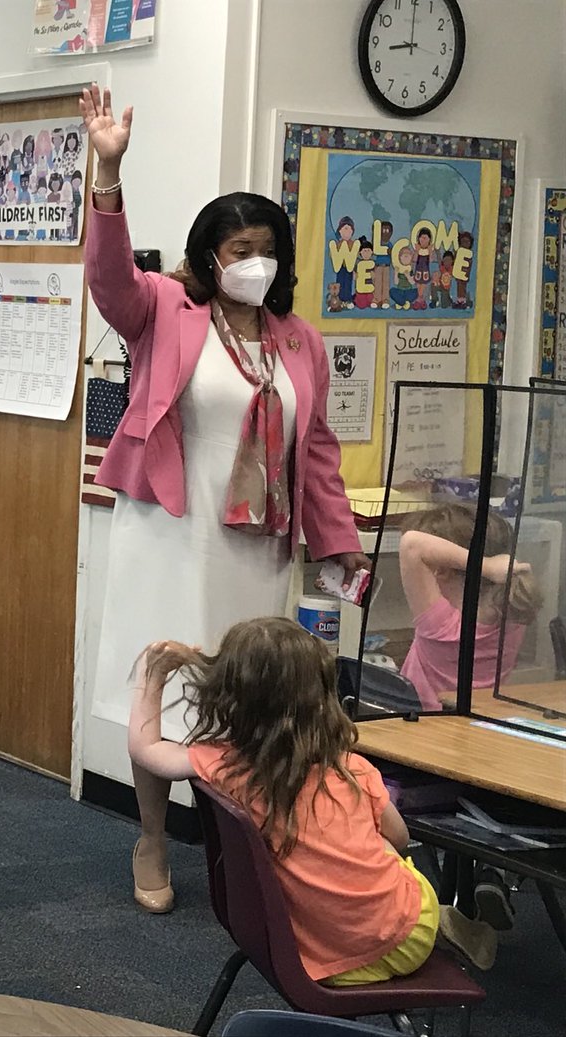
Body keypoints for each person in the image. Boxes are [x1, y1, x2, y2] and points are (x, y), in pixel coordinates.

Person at [80, 84, 369, 914]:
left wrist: (338, 542)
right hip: (170, 529)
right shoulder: (167, 310)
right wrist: (108, 170)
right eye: (241, 246)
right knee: (161, 681)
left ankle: (234, 845)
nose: (257, 260)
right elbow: (108, 280)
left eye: (268, 246)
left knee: (245, 693)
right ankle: (148, 833)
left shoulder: (297, 338)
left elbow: (315, 451)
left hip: (256, 543)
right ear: (211, 256)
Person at [126, 618, 494, 983]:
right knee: (380, 843)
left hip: (309, 957)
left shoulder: (224, 767)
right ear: (323, 698)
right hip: (407, 935)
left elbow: (146, 750)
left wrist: (152, 677)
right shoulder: (353, 769)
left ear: (227, 696)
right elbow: (399, 840)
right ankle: (440, 919)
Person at [398, 504, 541, 711]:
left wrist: (486, 566)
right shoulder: (512, 614)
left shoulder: (442, 626)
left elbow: (412, 543)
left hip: (424, 726)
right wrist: (491, 566)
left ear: (440, 570)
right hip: (476, 724)